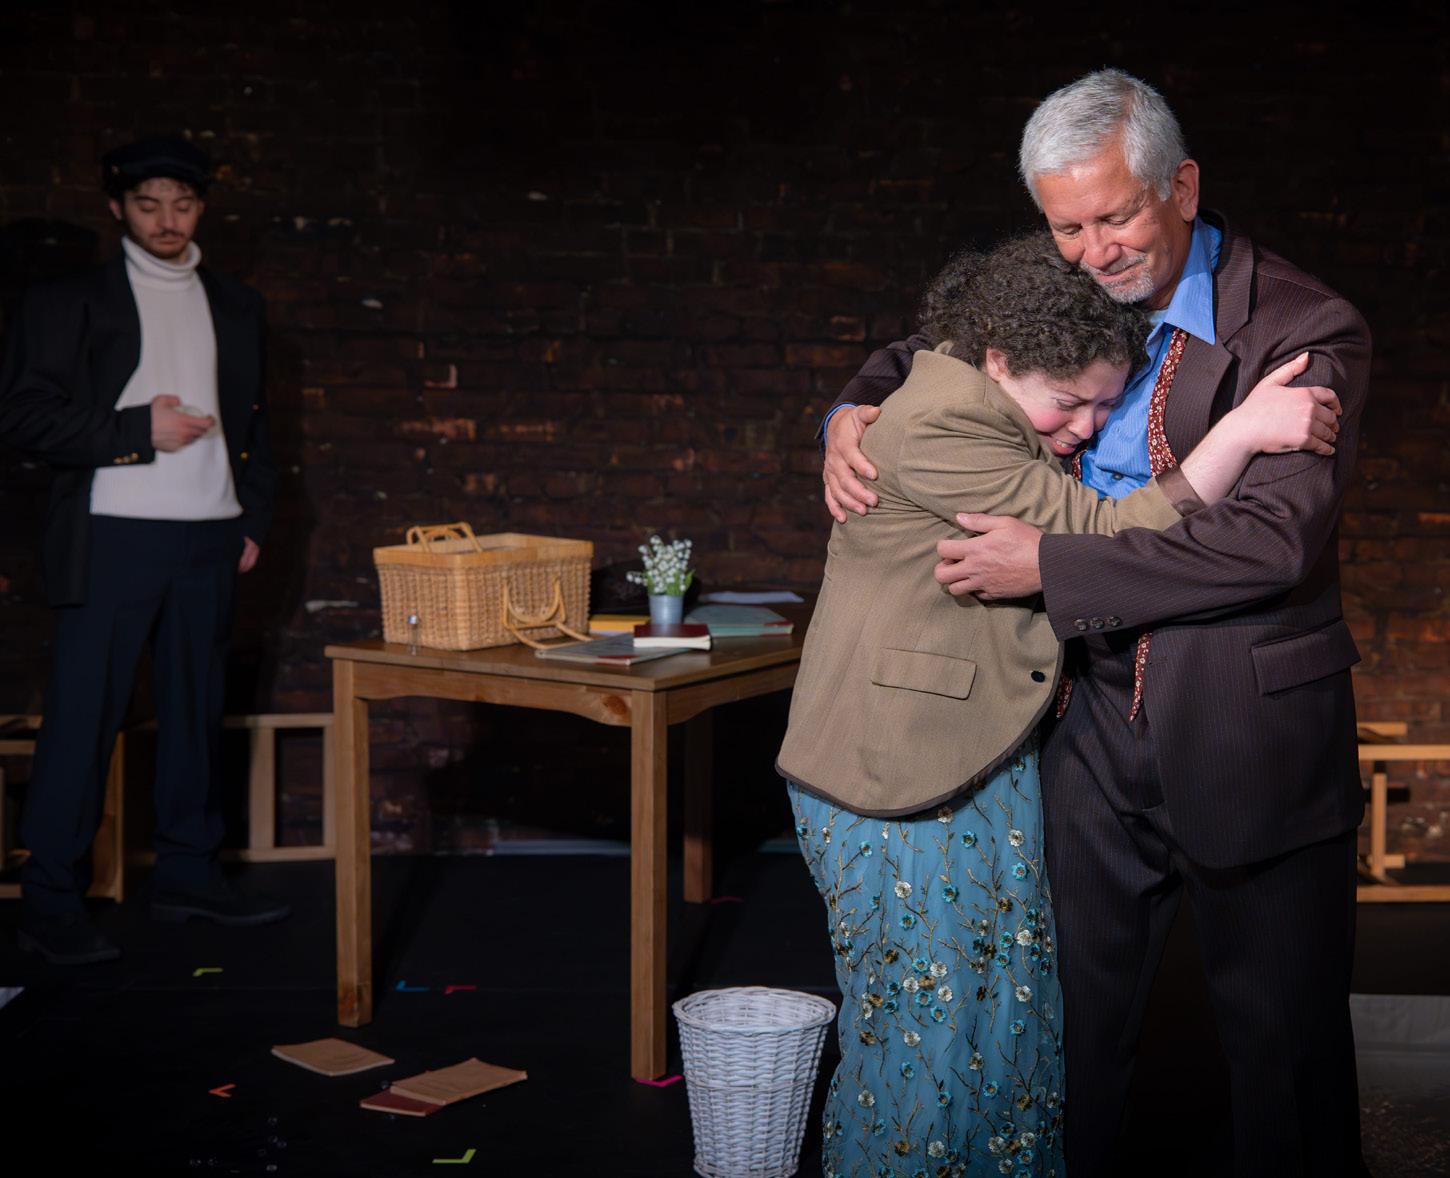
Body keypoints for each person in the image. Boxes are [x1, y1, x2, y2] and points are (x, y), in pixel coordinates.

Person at [821, 71, 1371, 1176]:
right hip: (1074, 720)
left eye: (1114, 217)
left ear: (1182, 187)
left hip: (1246, 726)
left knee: (1283, 1048)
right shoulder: (1071, 283)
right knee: (1073, 1039)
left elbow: (1269, 543)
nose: (1092, 251)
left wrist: (1049, 565)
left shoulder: (1304, 326)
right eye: (1065, 227)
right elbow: (924, 350)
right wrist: (848, 409)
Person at [0, 136, 287, 965]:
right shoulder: (67, 301)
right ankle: (50, 900)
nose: (167, 220)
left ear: (202, 209)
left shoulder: (236, 304)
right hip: (112, 535)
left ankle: (190, 877)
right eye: (149, 204)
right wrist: (136, 431)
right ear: (118, 208)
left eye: (183, 205)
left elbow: (257, 423)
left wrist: (250, 518)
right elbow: (20, 414)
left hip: (210, 536)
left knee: (195, 711)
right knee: (84, 717)